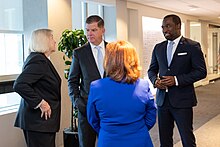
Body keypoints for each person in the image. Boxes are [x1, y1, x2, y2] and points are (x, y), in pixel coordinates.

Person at [148, 14, 207, 147]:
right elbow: (151, 70)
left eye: (168, 26)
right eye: (163, 27)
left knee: (187, 139)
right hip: (162, 102)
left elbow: (201, 72)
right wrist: (155, 81)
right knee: (164, 139)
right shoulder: (159, 47)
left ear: (178, 26)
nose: (165, 30)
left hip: (183, 101)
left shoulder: (192, 46)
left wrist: (176, 80)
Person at [87, 40, 157, 147]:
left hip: (109, 141)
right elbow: (151, 116)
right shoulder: (143, 85)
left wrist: (108, 131)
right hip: (139, 140)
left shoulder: (96, 87)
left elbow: (92, 119)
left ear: (108, 60)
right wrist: (138, 130)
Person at [13, 28, 61, 147]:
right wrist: (40, 102)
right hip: (38, 123)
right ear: (43, 41)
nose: (55, 41)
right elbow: (20, 84)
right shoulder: (39, 61)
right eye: (52, 38)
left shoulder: (40, 59)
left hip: (40, 124)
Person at [68, 15, 107, 147]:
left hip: (109, 110)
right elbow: (72, 81)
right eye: (87, 30)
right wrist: (77, 102)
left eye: (94, 30)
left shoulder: (113, 50)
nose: (89, 34)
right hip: (87, 109)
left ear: (103, 30)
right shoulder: (79, 53)